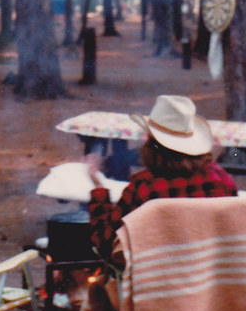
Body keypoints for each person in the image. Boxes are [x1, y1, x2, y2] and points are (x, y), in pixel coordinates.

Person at [88, 94, 237, 263]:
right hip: (209, 280)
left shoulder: (143, 186)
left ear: (151, 145)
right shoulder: (220, 178)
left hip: (158, 283)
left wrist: (98, 189)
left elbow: (107, 245)